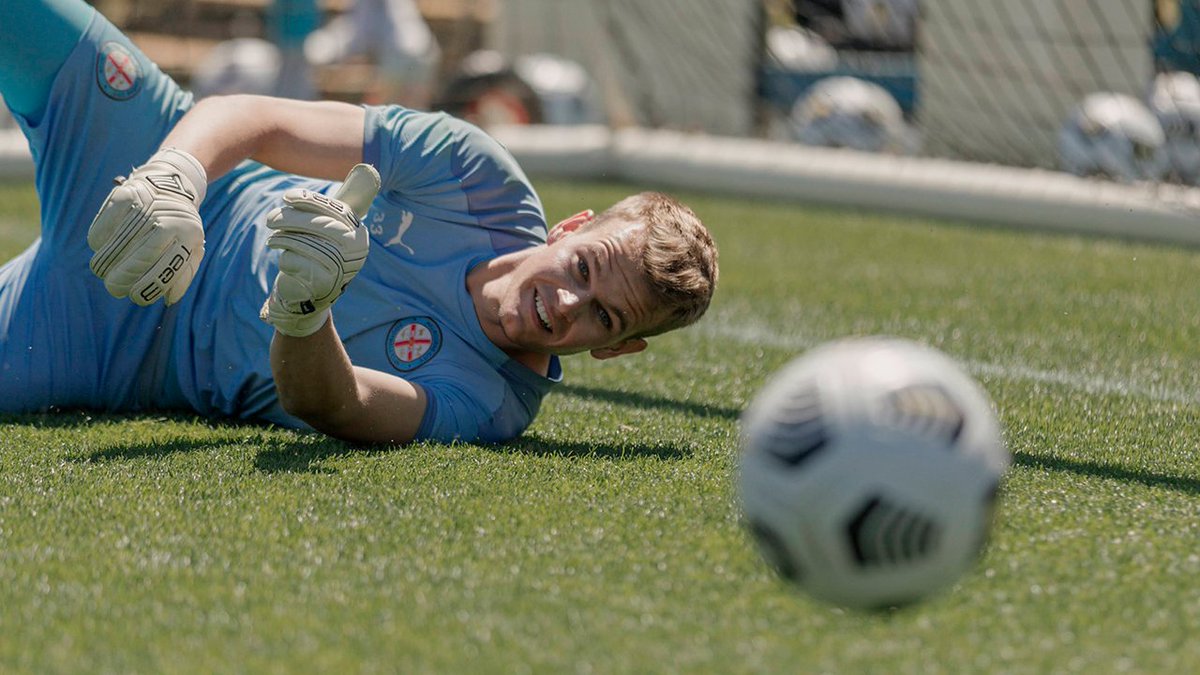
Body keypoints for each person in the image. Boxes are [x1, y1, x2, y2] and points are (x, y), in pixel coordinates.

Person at [0, 0, 718, 446]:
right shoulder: (477, 177)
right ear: (571, 227)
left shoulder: (493, 405)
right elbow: (256, 116)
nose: (565, 305)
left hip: (116, 349)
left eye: (603, 317)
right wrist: (176, 177)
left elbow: (336, 405)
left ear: (617, 350)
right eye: (584, 269)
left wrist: (305, 311)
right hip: (157, 160)